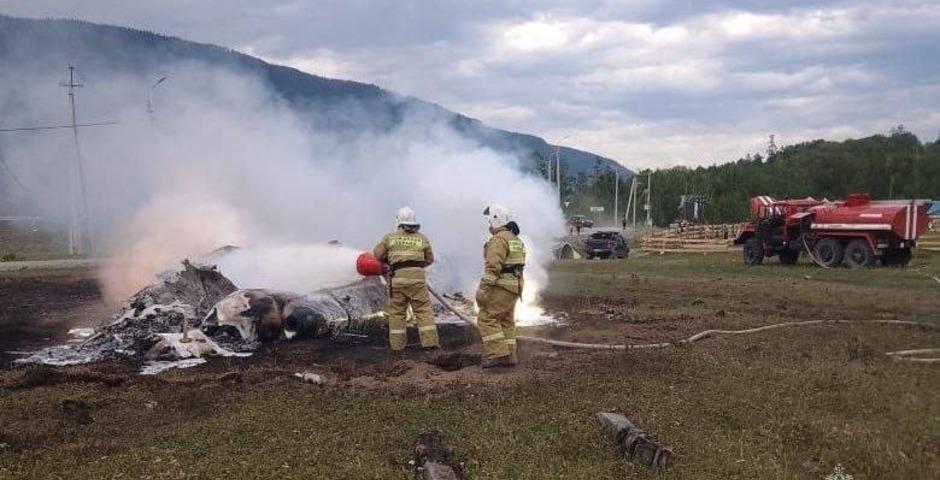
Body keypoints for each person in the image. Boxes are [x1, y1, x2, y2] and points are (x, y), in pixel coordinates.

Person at [373, 207, 440, 352]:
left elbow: (377, 255)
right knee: (423, 310)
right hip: (418, 281)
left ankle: (397, 347)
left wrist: (391, 261)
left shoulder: (390, 237)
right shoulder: (422, 238)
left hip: (397, 280)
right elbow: (430, 259)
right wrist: (416, 268)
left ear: (398, 222)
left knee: (397, 312)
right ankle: (430, 344)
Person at [476, 204, 526, 368]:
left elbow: (493, 267)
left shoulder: (498, 240)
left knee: (486, 317)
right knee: (506, 321)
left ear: (495, 220)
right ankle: (510, 356)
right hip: (515, 286)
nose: (489, 226)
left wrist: (483, 289)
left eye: (489, 222)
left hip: (502, 286)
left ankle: (498, 354)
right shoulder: (515, 239)